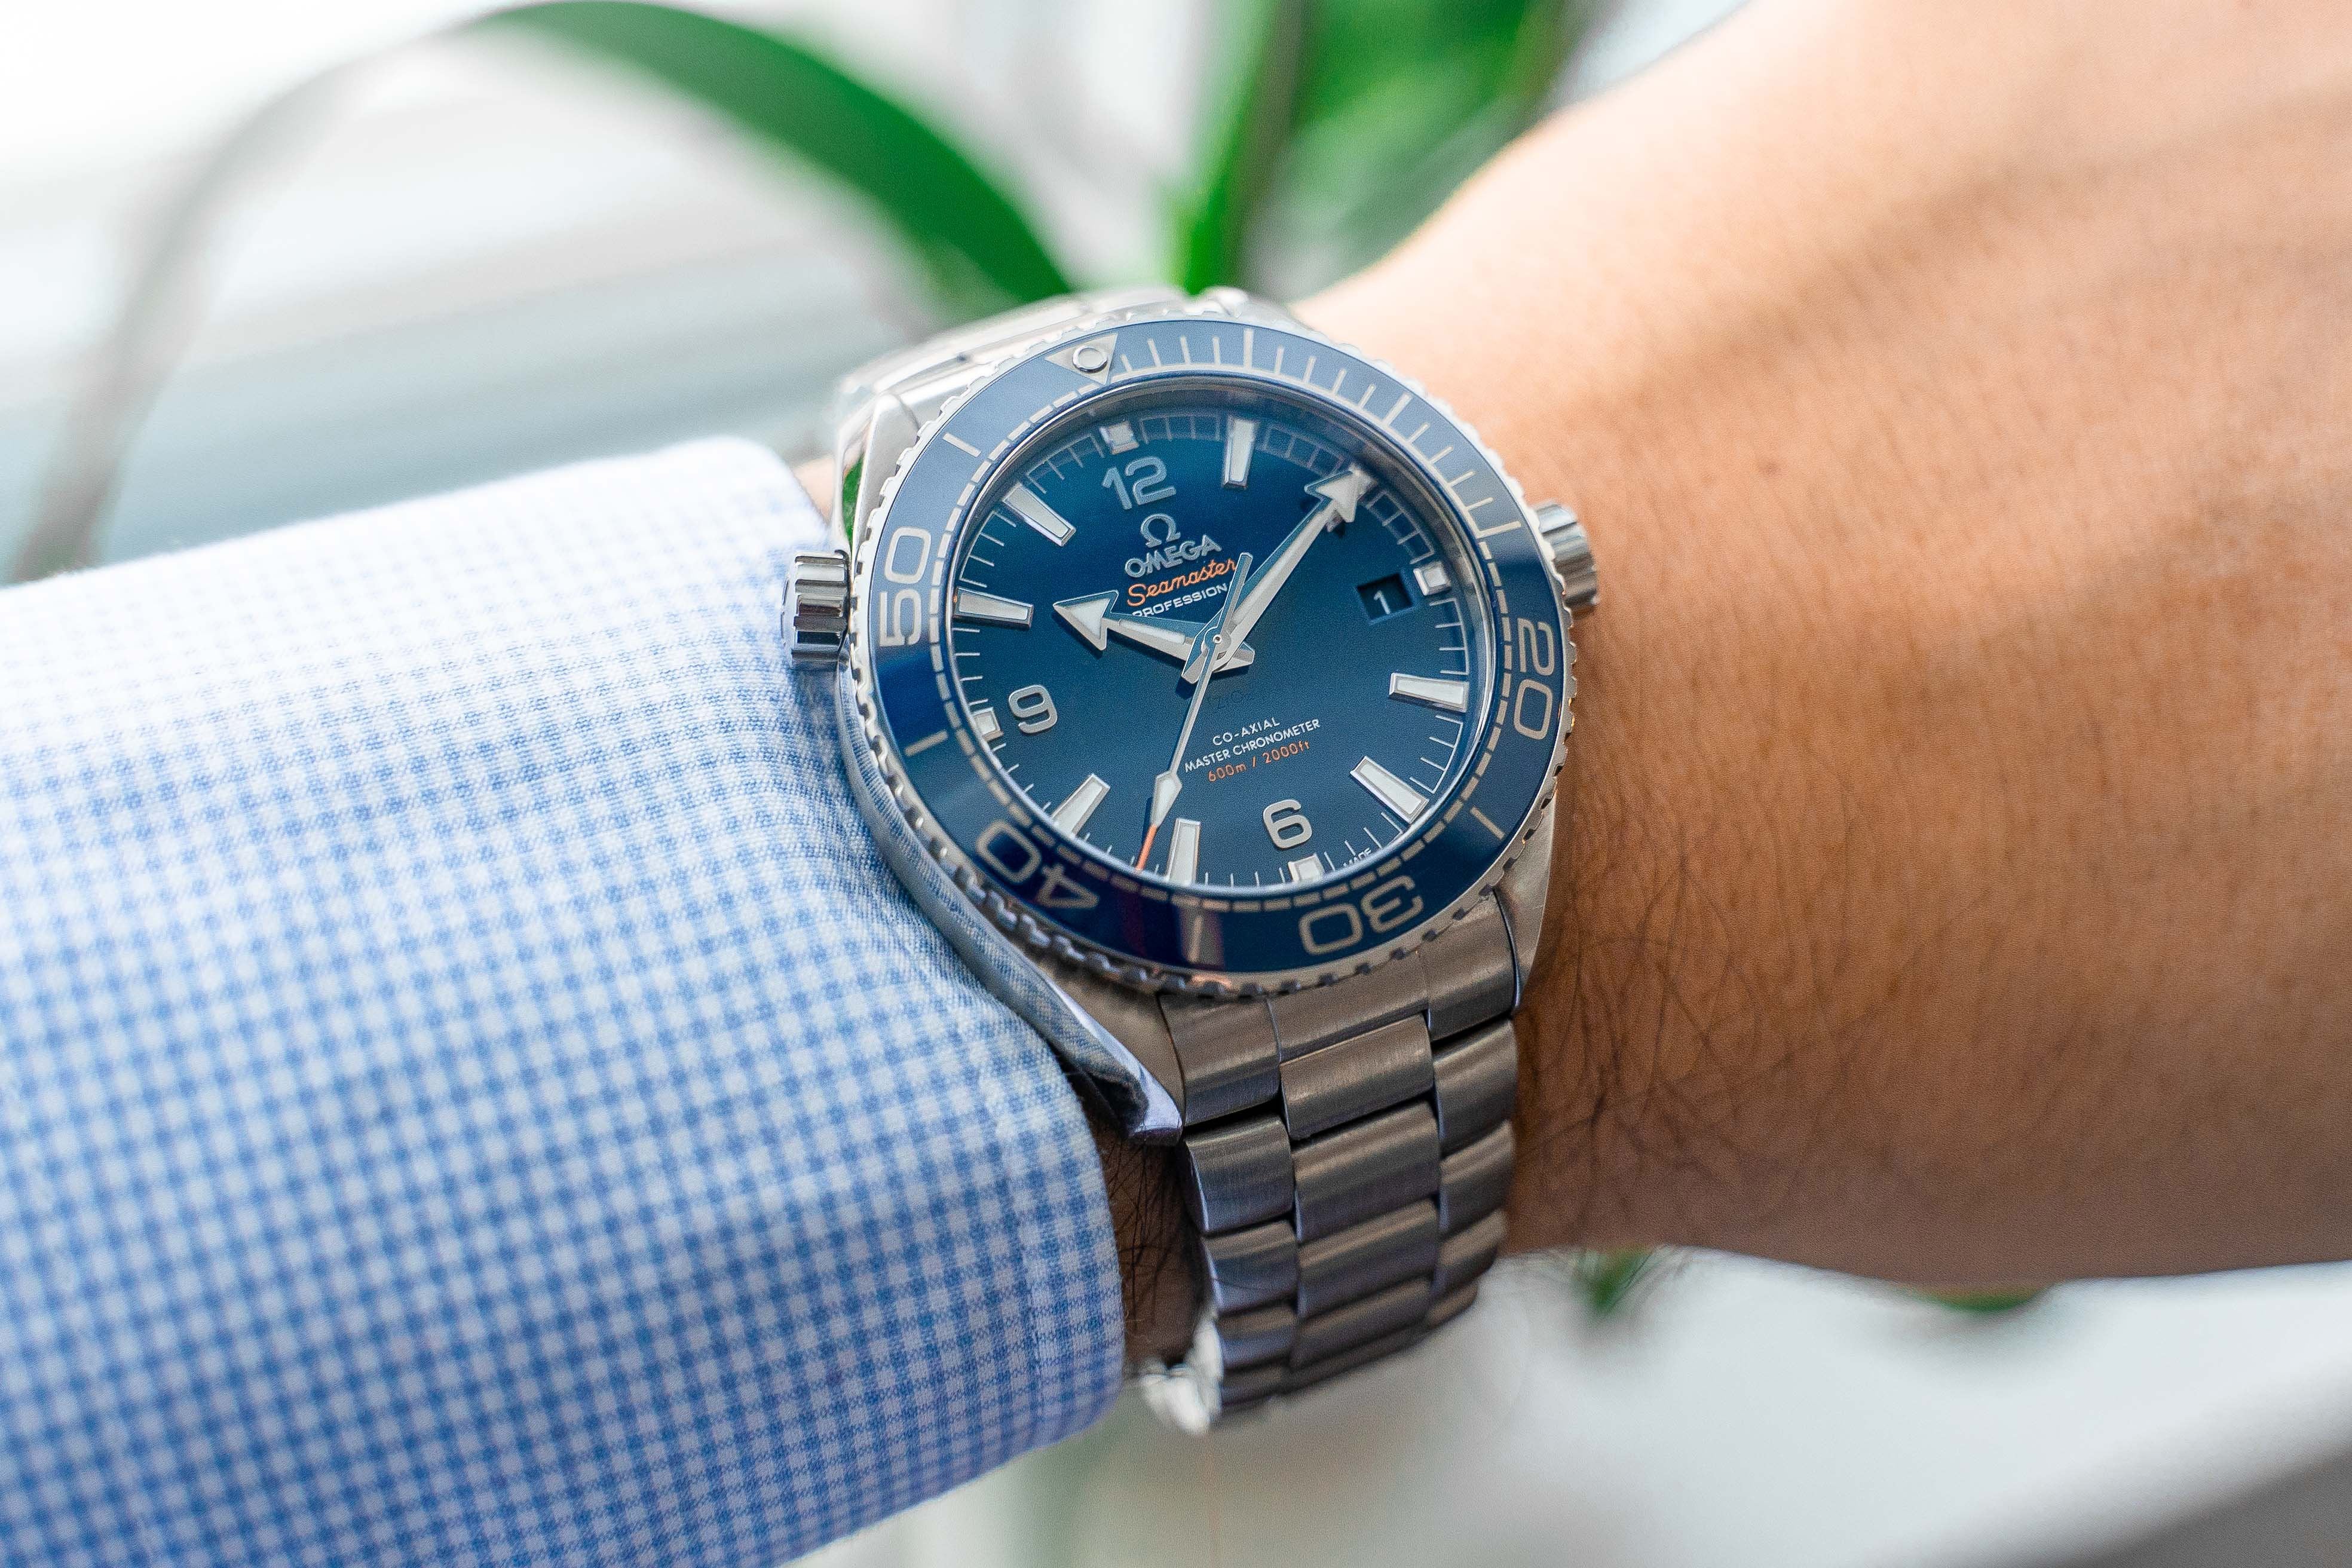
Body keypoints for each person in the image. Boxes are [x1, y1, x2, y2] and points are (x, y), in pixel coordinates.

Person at [4, 0, 2348, 1561]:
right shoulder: (916, 643)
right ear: (856, 616)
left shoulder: (1423, 580)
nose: (1217, 642)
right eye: (1182, 632)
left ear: (1531, 565)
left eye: (1234, 615)